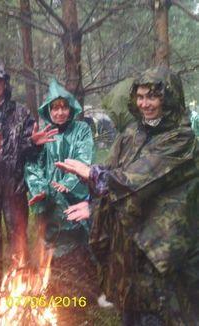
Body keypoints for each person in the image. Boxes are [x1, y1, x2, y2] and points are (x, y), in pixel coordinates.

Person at [56, 66, 199, 325]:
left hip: (161, 251)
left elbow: (132, 180)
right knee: (130, 308)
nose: (145, 104)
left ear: (169, 98)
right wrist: (93, 202)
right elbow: (111, 173)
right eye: (141, 96)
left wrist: (92, 174)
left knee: (159, 313)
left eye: (153, 97)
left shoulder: (181, 139)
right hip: (129, 245)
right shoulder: (132, 133)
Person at [0, 59, 58, 291]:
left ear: (6, 83)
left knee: (18, 238)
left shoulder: (22, 113)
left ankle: (21, 282)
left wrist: (34, 144)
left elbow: (29, 147)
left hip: (14, 189)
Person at [24, 79, 96, 294]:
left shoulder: (81, 130)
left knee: (76, 244)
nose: (60, 112)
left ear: (70, 108)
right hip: (48, 204)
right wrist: (40, 190)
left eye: (64, 107)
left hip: (75, 199)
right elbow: (33, 166)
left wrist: (68, 184)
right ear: (48, 110)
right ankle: (52, 287)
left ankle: (82, 291)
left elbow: (84, 159)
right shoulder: (45, 134)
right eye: (55, 108)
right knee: (50, 248)